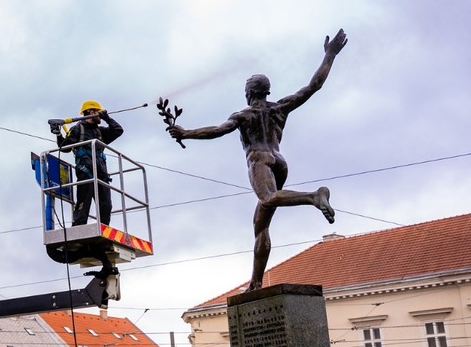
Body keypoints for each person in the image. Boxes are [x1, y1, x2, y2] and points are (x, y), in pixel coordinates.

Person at [166, 30, 348, 290]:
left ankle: (313, 197)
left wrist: (186, 133)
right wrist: (329, 55)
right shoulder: (280, 107)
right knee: (260, 225)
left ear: (248, 92)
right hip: (280, 162)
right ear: (266, 91)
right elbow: (313, 86)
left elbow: (218, 130)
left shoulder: (244, 115)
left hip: (259, 159)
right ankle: (256, 282)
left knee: (268, 198)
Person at [55, 100, 123, 226]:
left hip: (102, 173)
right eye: (98, 112)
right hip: (86, 171)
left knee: (106, 206)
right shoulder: (77, 129)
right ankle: (78, 228)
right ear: (91, 112)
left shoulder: (99, 132)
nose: (100, 115)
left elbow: (118, 130)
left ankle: (104, 229)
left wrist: (107, 118)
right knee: (83, 204)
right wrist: (58, 133)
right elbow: (64, 148)